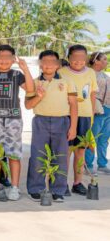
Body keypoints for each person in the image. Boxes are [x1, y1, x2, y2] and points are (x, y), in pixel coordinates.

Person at [0, 44, 34, 201]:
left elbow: (30, 89)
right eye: (0, 57)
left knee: (14, 154)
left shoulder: (17, 75)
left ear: (13, 59)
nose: (4, 61)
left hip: (13, 120)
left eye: (8, 57)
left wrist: (25, 69)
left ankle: (15, 188)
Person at [25, 50, 78, 202]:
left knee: (60, 156)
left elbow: (73, 105)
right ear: (40, 64)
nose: (48, 65)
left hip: (61, 122)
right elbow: (28, 105)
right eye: (45, 61)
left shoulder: (67, 81)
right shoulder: (34, 82)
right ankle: (36, 188)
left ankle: (58, 190)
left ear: (58, 64)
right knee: (37, 155)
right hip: (40, 121)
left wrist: (73, 127)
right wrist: (38, 96)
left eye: (52, 61)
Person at [58, 45, 98, 195]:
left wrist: (92, 115)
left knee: (80, 151)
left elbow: (93, 95)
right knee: (66, 151)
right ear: (69, 58)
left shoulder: (91, 73)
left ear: (86, 59)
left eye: (82, 58)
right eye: (75, 57)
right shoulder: (61, 72)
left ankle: (77, 183)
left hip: (85, 116)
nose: (78, 61)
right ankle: (63, 184)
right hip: (67, 115)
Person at [86, 51, 109, 174]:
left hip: (108, 110)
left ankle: (102, 164)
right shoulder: (90, 74)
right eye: (104, 59)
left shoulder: (104, 75)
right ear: (96, 61)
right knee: (92, 138)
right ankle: (88, 165)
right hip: (97, 110)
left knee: (104, 138)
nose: (106, 61)